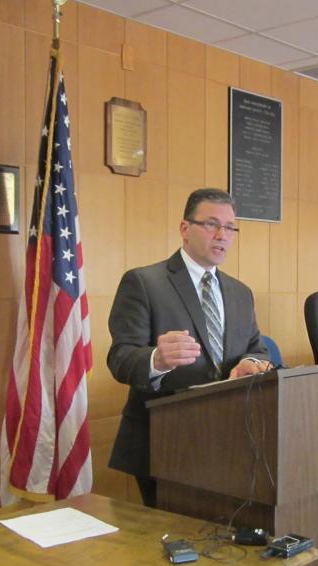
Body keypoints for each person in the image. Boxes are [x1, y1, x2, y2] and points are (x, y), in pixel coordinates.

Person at [107, 187, 272, 506]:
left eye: (230, 227)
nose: (222, 235)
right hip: (164, 442)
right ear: (185, 229)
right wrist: (157, 359)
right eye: (212, 224)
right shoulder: (144, 282)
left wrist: (251, 362)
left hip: (230, 440)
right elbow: (120, 357)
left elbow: (257, 347)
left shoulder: (240, 293)